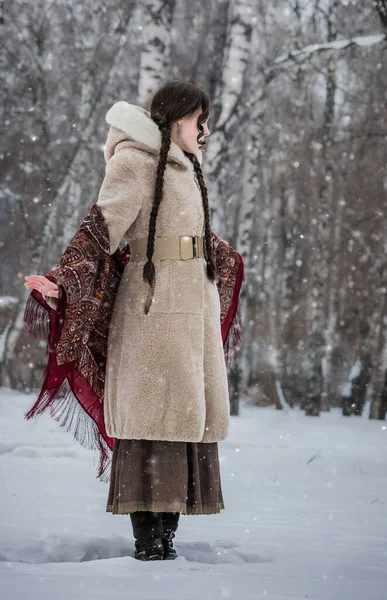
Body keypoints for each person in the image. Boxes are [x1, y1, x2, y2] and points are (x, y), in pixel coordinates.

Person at [24, 80, 243, 562]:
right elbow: (100, 227)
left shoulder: (187, 168)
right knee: (152, 423)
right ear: (175, 120)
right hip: (153, 312)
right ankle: (150, 550)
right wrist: (65, 280)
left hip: (192, 311)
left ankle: (167, 545)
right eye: (198, 121)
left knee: (182, 423)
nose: (205, 130)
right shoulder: (135, 162)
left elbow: (188, 234)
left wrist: (218, 257)